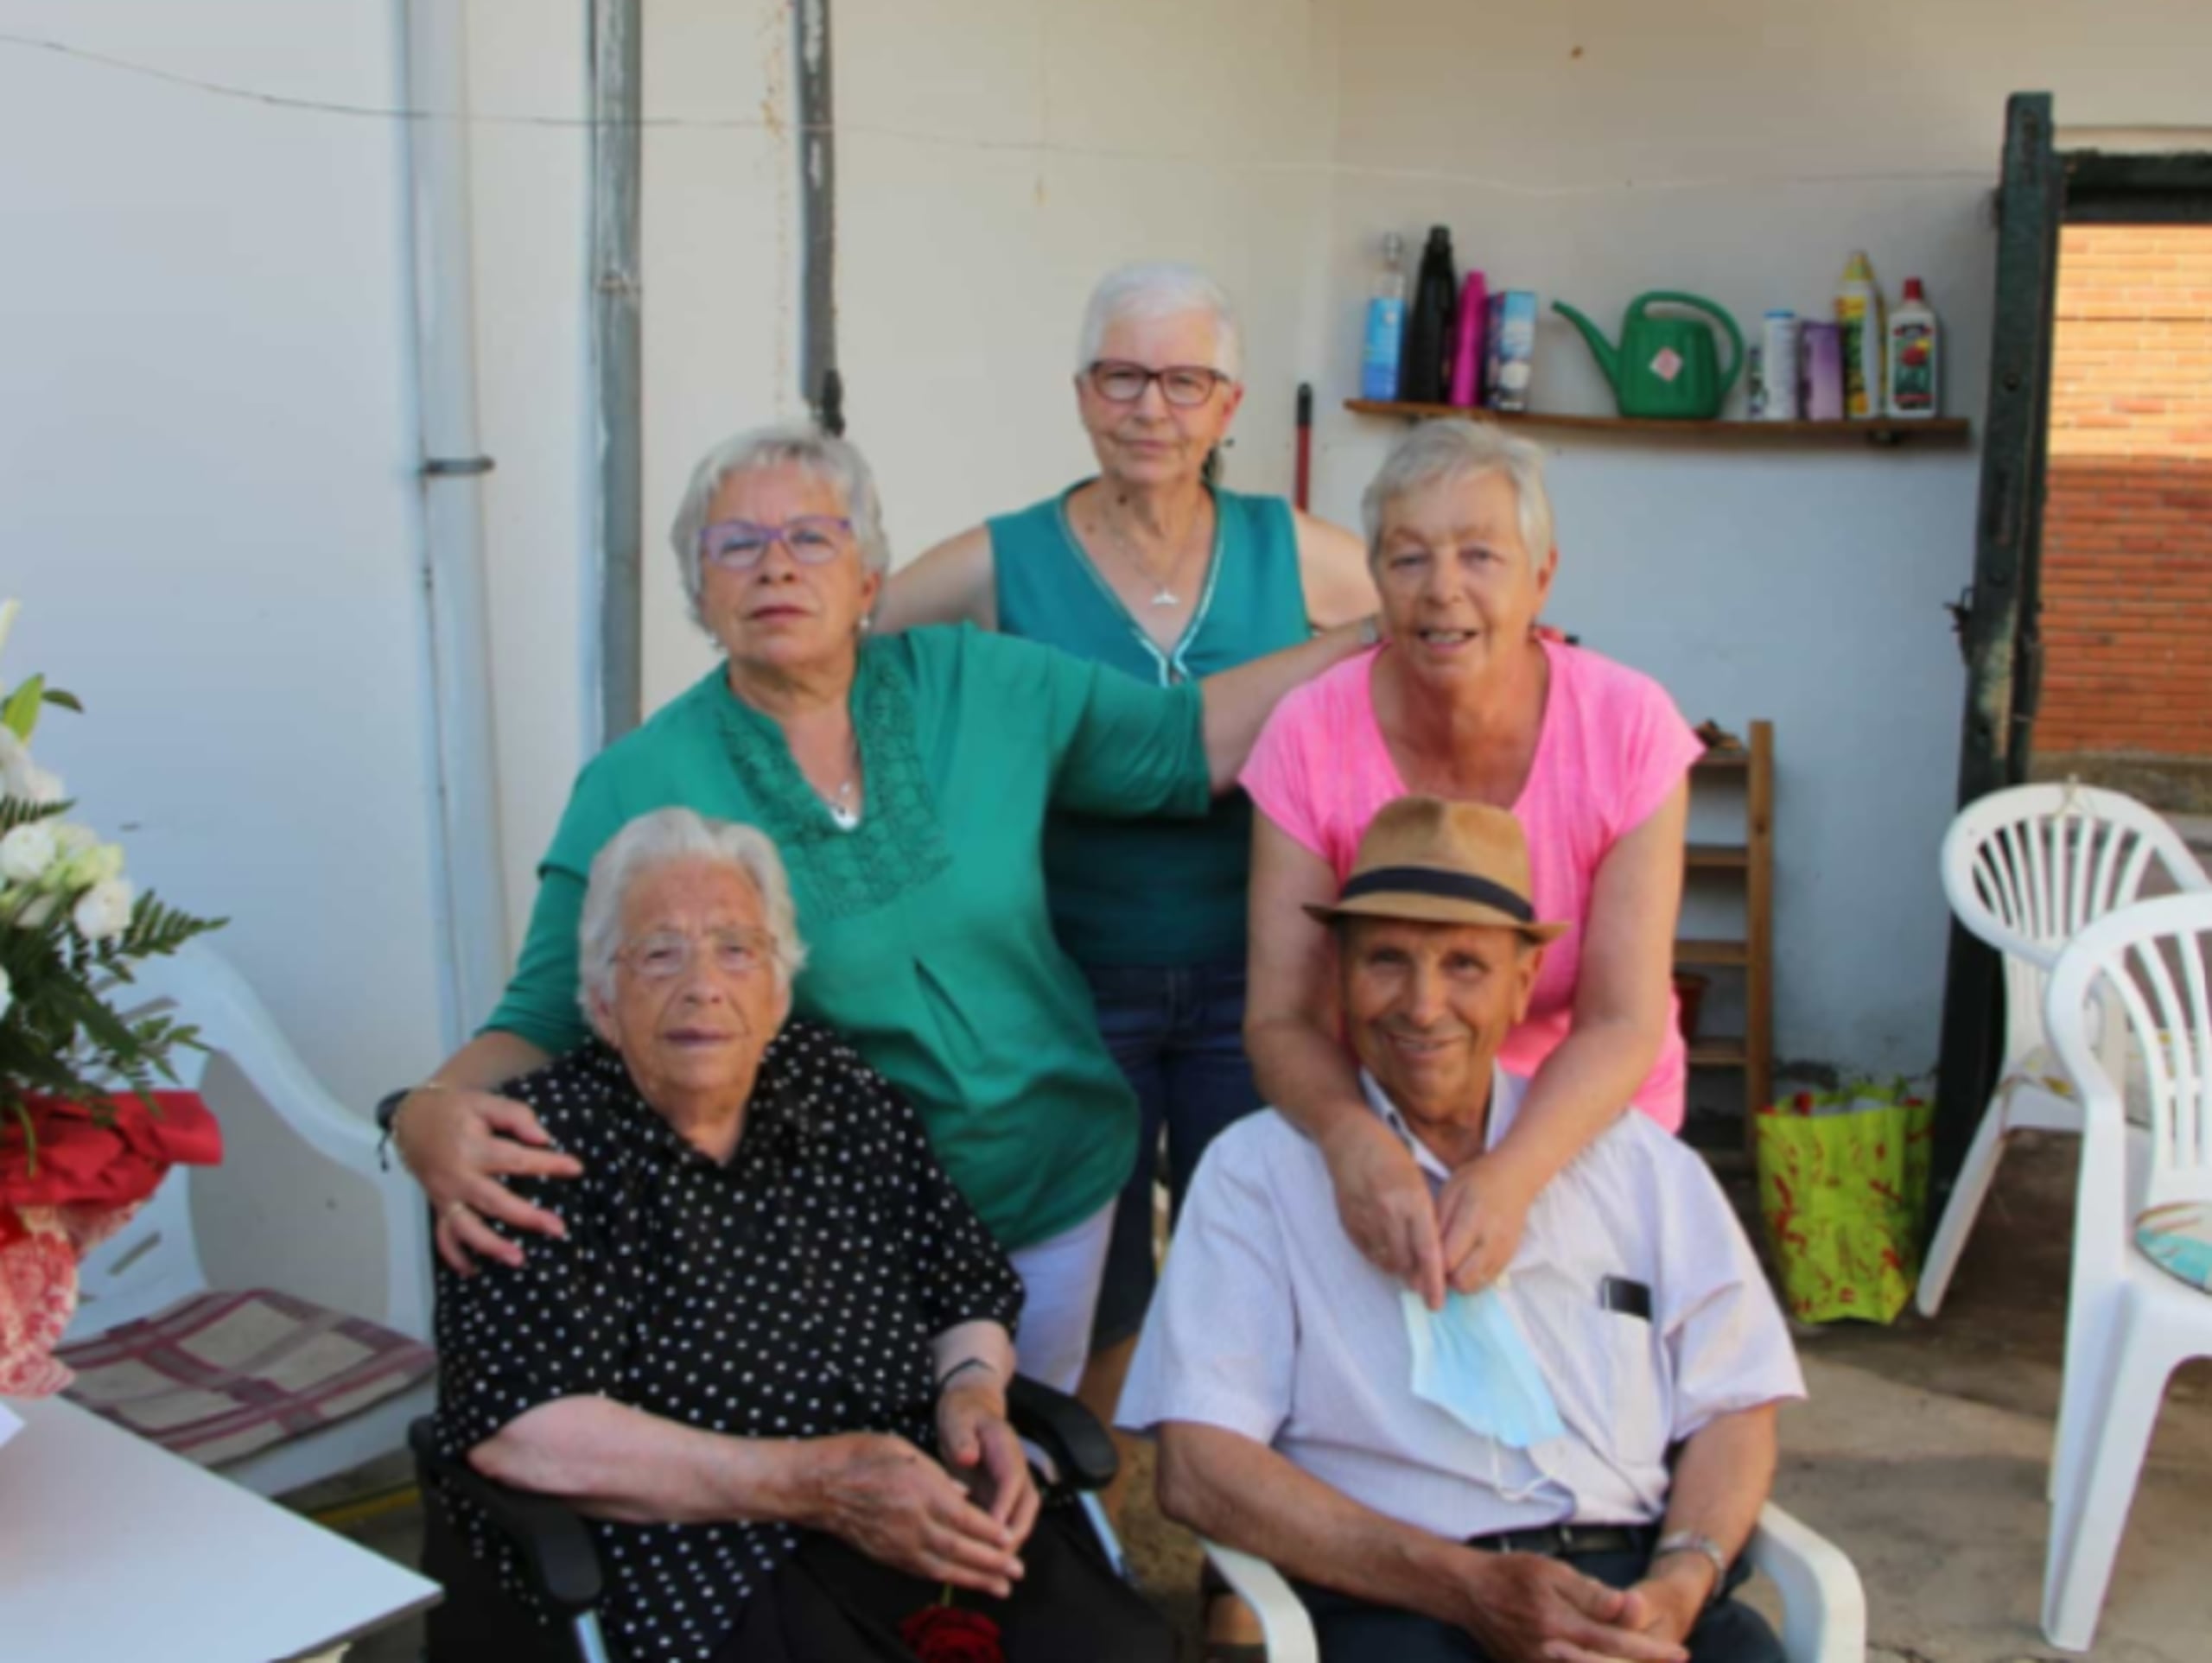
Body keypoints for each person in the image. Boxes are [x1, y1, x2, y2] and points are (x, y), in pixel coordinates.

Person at [391, 422, 1371, 1393]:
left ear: (869, 580)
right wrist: (426, 1113)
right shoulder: (637, 781)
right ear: (701, 590)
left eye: (812, 537)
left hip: (1057, 1180)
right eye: (737, 544)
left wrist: (1381, 630)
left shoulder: (979, 682)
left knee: (1026, 1456)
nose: (776, 565)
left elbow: (1182, 741)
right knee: (882, 1486)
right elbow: (540, 1017)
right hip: (836, 1232)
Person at [429, 808, 1173, 1663]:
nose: (703, 983)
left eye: (736, 948)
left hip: (912, 1506)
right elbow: (519, 1425)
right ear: (602, 1000)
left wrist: (970, 1393)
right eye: (661, 951)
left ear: (778, 991)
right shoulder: (533, 1146)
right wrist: (811, 1482)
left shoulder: (842, 1091)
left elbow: (962, 1281)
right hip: (699, 1560)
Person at [1119, 797, 1803, 1663]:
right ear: (1337, 972)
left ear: (1524, 983)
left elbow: (1736, 1401)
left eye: (1465, 964)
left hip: (1634, 1593)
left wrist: (1679, 1581)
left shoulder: (1636, 1162)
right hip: (1402, 1597)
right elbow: (1199, 1465)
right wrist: (1463, 1585)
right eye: (1387, 959)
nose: (1422, 1003)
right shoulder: (1256, 1172)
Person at [874, 261, 1376, 1430]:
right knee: (1088, 1284)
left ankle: (1243, 1566)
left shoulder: (1298, 553)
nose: (1153, 407)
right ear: (1082, 392)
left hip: (1262, 978)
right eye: (1123, 377)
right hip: (1070, 981)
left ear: (1229, 404)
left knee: (1260, 1255)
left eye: (1185, 380)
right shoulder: (1003, 561)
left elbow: (1430, 635)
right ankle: (1072, 1512)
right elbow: (850, 656)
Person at [1242, 418, 1703, 1313]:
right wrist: (1351, 1138)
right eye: (1408, 559)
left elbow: (1619, 1018)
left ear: (1542, 576)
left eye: (1480, 555)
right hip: (1385, 1103)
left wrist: (1513, 1170)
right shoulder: (1306, 731)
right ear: (1373, 580)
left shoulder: (1627, 726)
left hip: (1585, 1116)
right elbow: (1282, 1015)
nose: (1441, 590)